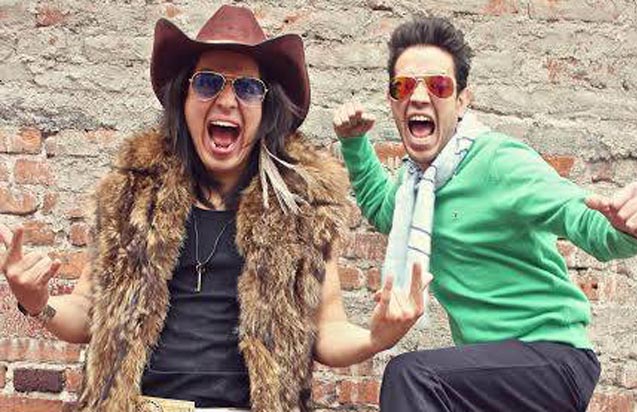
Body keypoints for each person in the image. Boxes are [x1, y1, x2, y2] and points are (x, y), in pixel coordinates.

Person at [0, 5, 429, 412]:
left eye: (247, 88)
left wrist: (377, 337)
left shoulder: (302, 209)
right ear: (184, 98)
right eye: (208, 83)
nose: (226, 100)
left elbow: (328, 331)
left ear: (267, 110)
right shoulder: (131, 194)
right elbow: (85, 314)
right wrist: (38, 302)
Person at [333, 16, 637, 412]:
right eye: (403, 86)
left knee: (412, 375)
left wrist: (629, 232)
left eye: (438, 85)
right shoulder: (415, 188)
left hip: (554, 360)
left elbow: (577, 214)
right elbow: (381, 209)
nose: (418, 97)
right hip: (494, 369)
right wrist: (354, 143)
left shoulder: (499, 161)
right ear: (392, 102)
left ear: (462, 100)